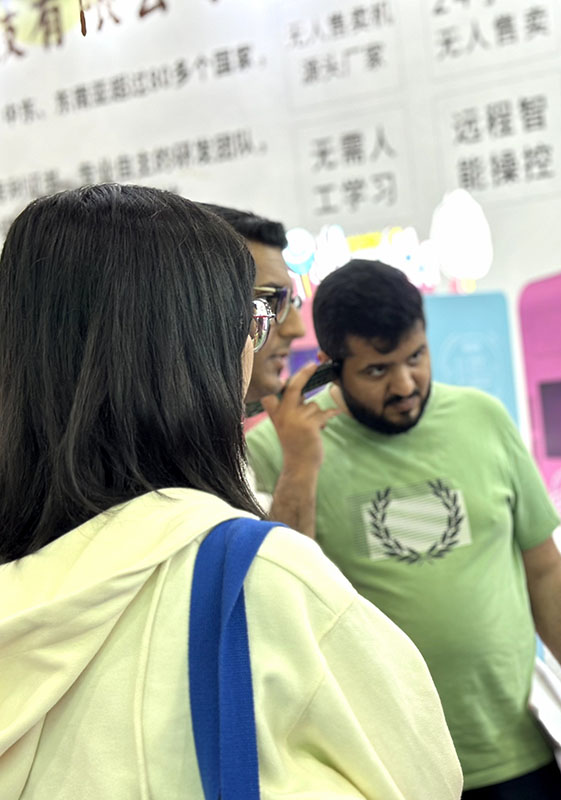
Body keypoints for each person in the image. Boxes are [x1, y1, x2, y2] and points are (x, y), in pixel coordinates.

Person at [0, 186, 461, 799]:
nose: (281, 333)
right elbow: (423, 776)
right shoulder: (258, 575)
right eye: (258, 313)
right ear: (191, 343)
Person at [246, 259, 561, 798]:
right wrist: (301, 467)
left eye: (416, 358)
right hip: (382, 768)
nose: (405, 384)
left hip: (514, 751)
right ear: (329, 366)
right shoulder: (276, 450)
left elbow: (547, 576)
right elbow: (279, 604)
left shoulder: (483, 419)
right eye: (377, 370)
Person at [200, 202, 336, 538]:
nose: (295, 329)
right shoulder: (165, 464)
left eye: (292, 303)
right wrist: (299, 467)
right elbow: (263, 585)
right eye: (271, 302)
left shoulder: (221, 447)